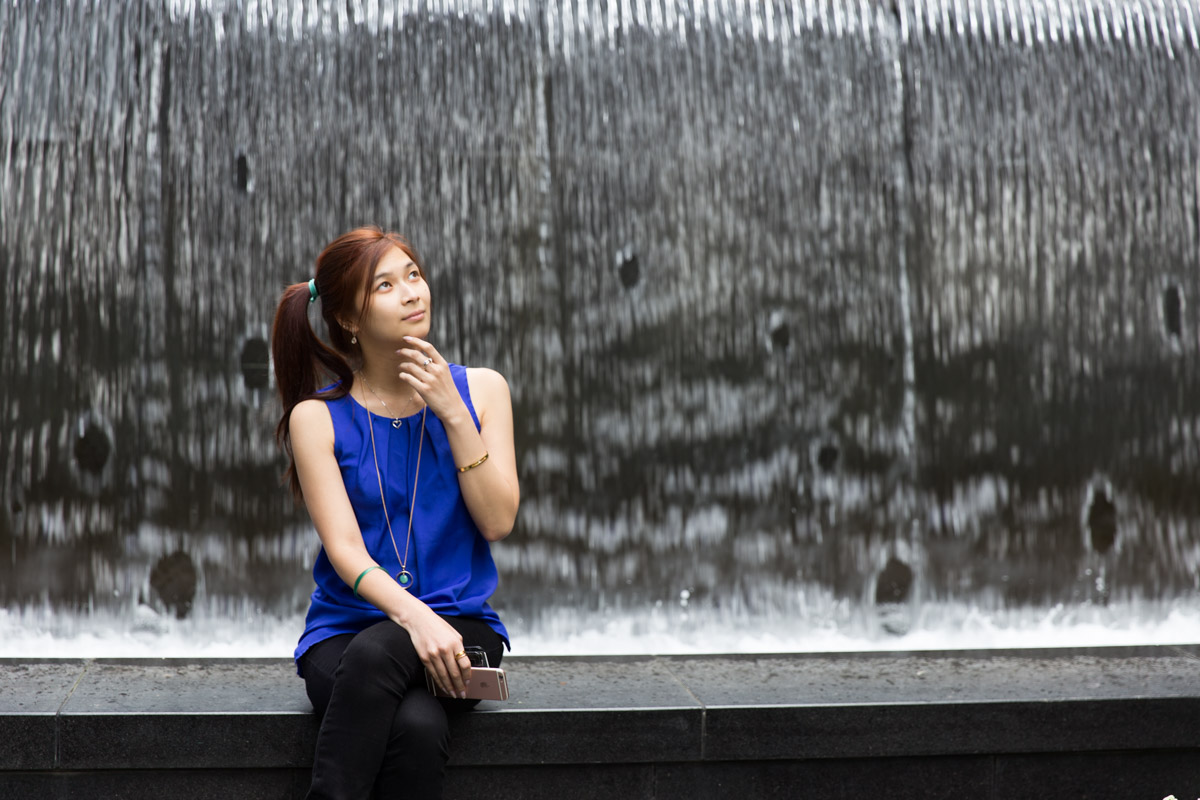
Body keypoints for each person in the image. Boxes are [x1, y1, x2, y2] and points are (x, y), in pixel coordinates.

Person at [270, 226, 519, 799]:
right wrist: (416, 618)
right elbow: (346, 553)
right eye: (386, 284)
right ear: (349, 320)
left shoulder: (481, 391)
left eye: (414, 275)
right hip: (345, 632)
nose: (412, 293)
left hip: (462, 625)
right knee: (416, 723)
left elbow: (498, 522)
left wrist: (454, 414)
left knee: (384, 654)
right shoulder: (317, 418)